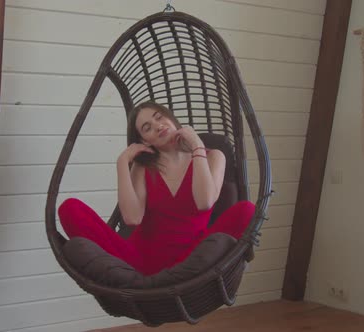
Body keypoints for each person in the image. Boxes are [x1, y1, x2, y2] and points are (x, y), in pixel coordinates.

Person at [58, 101, 255, 276]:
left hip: (193, 261)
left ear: (171, 118)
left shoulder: (213, 156)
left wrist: (197, 146)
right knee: (70, 208)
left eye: (159, 117)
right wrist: (122, 162)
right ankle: (140, 281)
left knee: (247, 210)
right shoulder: (143, 167)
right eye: (147, 128)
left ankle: (178, 280)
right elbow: (132, 218)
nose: (158, 126)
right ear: (144, 141)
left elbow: (204, 202)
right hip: (139, 262)